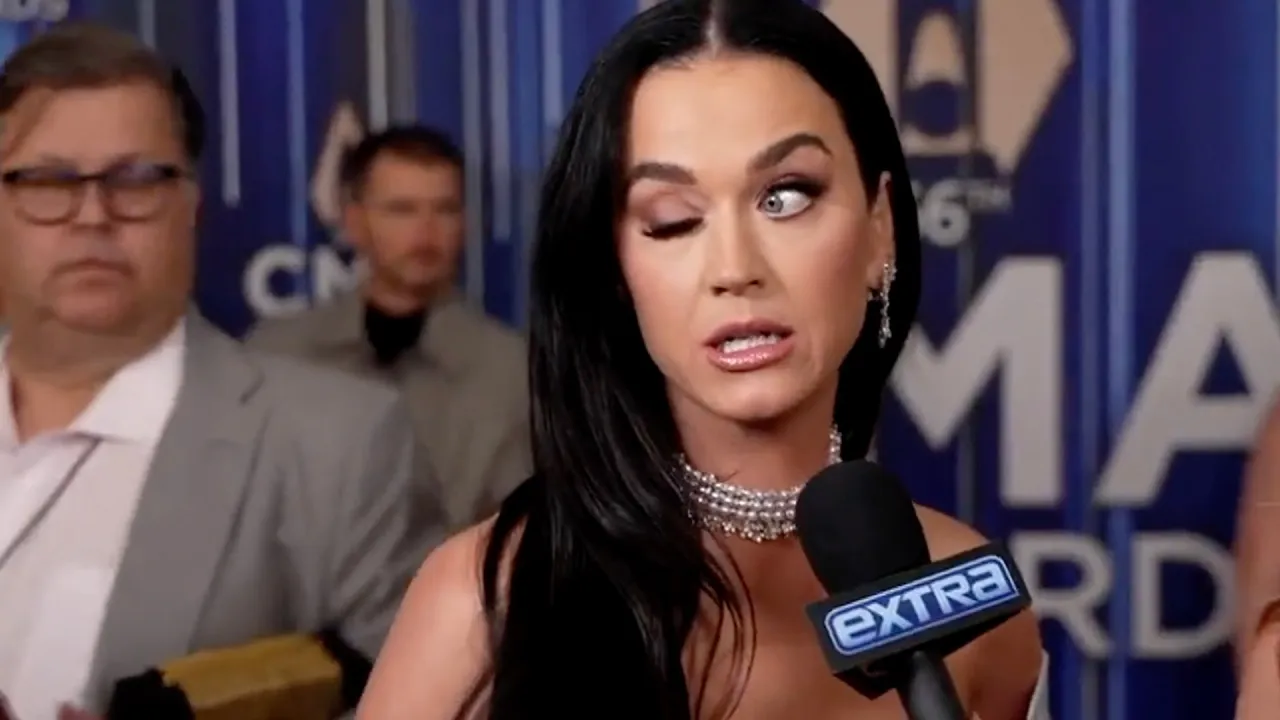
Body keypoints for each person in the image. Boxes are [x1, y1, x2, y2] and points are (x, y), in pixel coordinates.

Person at [357, 0, 1043, 718]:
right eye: (674, 220)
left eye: (785, 197)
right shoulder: (486, 602)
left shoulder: (972, 606)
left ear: (880, 227)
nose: (734, 268)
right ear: (615, 272)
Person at [0, 24, 444, 719]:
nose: (92, 215)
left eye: (135, 179)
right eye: (47, 180)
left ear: (192, 208)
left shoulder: (339, 446)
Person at [246, 125, 529, 529]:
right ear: (354, 222)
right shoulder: (277, 357)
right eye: (402, 209)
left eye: (445, 209)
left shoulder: (512, 371)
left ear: (464, 223)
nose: (426, 231)